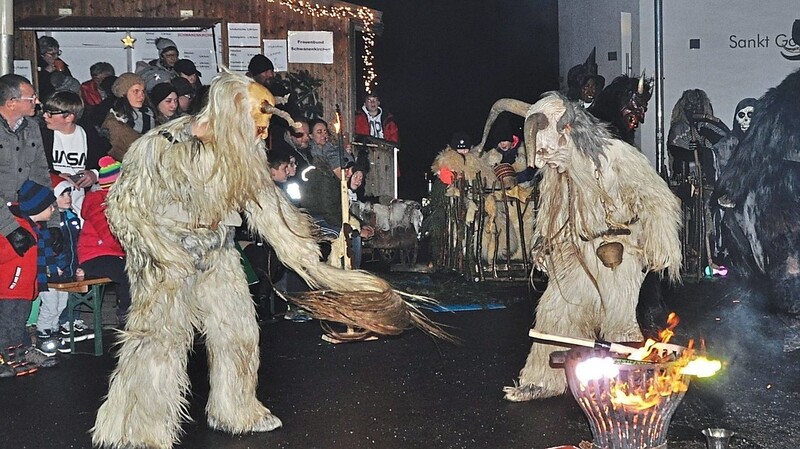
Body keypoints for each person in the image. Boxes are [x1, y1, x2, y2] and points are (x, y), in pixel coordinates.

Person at [1, 180, 60, 377]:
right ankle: (6, 357)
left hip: (25, 289)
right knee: (7, 325)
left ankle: (18, 355)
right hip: (9, 289)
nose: (53, 210)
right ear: (39, 207)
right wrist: (14, 248)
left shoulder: (38, 229)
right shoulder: (14, 228)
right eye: (50, 206)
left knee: (18, 325)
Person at [35, 177, 91, 355]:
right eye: (63, 194)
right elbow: (47, 247)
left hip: (67, 271)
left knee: (61, 305)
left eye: (69, 193)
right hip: (51, 272)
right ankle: (43, 333)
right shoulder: (49, 221)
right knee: (50, 305)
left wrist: (79, 265)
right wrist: (53, 267)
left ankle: (54, 332)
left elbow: (77, 244)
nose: (68, 197)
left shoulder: (72, 216)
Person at [77, 156, 132, 326]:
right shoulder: (99, 203)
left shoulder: (117, 201)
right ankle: (126, 315)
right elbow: (110, 234)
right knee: (129, 274)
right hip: (94, 255)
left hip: (112, 253)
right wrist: (130, 248)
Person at [41, 90, 111, 218]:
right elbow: (34, 166)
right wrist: (56, 176)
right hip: (51, 207)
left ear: (69, 117)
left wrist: (94, 174)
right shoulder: (42, 136)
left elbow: (107, 163)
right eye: (45, 112)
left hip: (81, 206)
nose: (45, 116)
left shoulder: (88, 134)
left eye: (50, 113)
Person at [103, 73, 153, 161]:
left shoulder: (149, 115)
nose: (141, 96)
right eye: (136, 91)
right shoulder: (115, 122)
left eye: (143, 91)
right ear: (124, 93)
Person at [37, 36, 71, 102]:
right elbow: (38, 86)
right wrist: (45, 72)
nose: (56, 56)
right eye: (52, 54)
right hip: (44, 99)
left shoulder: (60, 63)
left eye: (57, 53)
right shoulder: (37, 64)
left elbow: (70, 82)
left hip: (60, 99)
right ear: (42, 54)